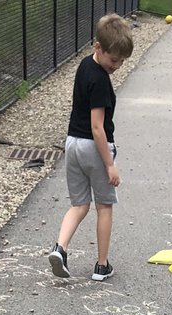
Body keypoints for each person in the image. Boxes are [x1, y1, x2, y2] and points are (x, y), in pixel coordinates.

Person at [48, 14, 134, 283]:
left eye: (121, 61)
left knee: (79, 204)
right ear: (99, 47)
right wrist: (109, 163)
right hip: (93, 147)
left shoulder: (85, 65)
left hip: (72, 143)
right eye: (113, 59)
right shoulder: (99, 80)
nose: (117, 66)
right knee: (104, 205)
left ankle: (59, 249)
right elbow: (98, 127)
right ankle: (101, 265)